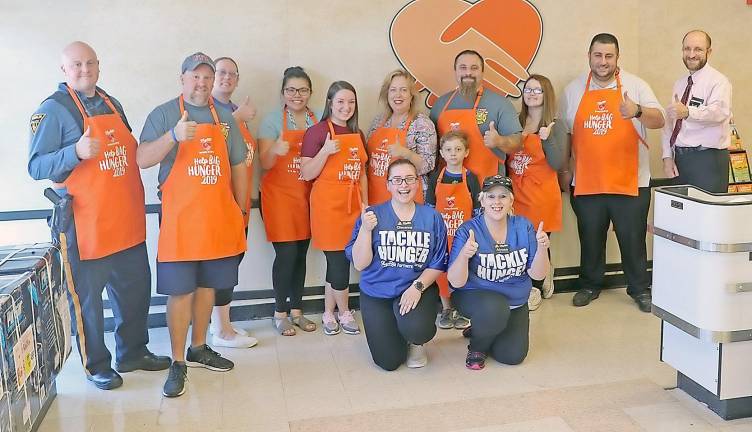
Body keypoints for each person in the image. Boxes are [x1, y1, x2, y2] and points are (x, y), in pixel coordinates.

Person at [27, 41, 170, 390]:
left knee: (136, 292)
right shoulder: (53, 110)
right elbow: (35, 166)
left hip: (126, 221)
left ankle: (133, 352)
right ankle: (97, 365)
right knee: (88, 303)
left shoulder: (112, 103)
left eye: (90, 63)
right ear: (64, 70)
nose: (84, 69)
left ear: (99, 65)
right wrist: (74, 152)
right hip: (84, 227)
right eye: (76, 64)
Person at [137, 52, 248, 397]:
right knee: (180, 291)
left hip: (217, 219)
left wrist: (242, 211)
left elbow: (239, 164)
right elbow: (142, 159)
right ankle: (177, 362)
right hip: (181, 222)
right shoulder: (164, 114)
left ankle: (199, 348)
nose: (201, 83)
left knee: (207, 287)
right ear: (182, 78)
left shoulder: (225, 116)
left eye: (207, 77)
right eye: (195, 77)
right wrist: (173, 135)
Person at [559, 33, 665, 313]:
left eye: (609, 56)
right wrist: (565, 169)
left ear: (617, 58)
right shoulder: (572, 90)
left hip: (631, 181)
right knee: (590, 237)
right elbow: (568, 134)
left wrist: (638, 110)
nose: (603, 61)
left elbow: (659, 119)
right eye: (598, 55)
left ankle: (640, 289)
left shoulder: (636, 85)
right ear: (589, 56)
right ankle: (590, 284)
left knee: (633, 239)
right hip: (587, 180)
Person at [346, 160, 446, 370]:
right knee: (388, 362)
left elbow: (437, 262)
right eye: (397, 180)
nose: (404, 185)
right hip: (377, 292)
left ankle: (416, 341)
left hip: (416, 288)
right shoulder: (372, 216)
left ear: (417, 183)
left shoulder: (432, 217)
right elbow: (360, 264)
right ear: (388, 185)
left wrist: (417, 288)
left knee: (417, 328)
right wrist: (365, 230)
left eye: (409, 179)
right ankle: (397, 332)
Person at [447, 175, 549, 370]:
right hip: (474, 295)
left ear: (511, 200)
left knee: (512, 356)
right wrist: (464, 256)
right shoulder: (468, 230)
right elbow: (455, 282)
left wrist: (543, 249)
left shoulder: (523, 226)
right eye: (491, 196)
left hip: (515, 301)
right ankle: (478, 345)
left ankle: (485, 327)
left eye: (503, 196)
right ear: (482, 200)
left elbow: (537, 275)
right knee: (494, 309)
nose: (497, 202)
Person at [300, 81, 366, 336]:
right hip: (328, 207)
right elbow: (306, 173)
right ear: (329, 102)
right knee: (338, 261)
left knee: (338, 263)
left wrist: (365, 203)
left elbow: (361, 174)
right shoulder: (316, 133)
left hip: (353, 206)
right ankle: (345, 311)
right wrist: (326, 151)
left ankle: (328, 313)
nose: (346, 107)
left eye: (351, 102)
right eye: (340, 101)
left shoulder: (357, 133)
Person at [258, 67, 319, 336]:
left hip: (307, 196)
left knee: (302, 255)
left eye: (302, 90)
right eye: (291, 90)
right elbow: (263, 162)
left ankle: (297, 311)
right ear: (283, 93)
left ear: (310, 93)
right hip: (279, 197)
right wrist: (275, 150)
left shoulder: (317, 120)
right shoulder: (272, 121)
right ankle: (279, 313)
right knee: (287, 255)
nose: (297, 95)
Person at [209, 56, 258, 348]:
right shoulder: (208, 111)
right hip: (220, 204)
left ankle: (223, 322)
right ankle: (220, 330)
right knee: (223, 266)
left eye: (232, 74)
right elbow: (211, 146)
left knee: (233, 262)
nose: (226, 78)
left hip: (240, 204)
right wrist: (237, 119)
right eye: (221, 73)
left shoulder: (232, 108)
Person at [508, 74, 567, 310]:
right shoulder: (514, 122)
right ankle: (539, 277)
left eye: (538, 90)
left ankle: (534, 286)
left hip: (542, 195)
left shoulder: (556, 124)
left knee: (537, 242)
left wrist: (547, 140)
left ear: (547, 95)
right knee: (518, 243)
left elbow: (557, 164)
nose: (532, 94)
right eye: (528, 89)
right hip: (517, 193)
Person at [429, 49, 522, 181]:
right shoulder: (440, 104)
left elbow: (517, 143)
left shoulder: (500, 103)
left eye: (474, 68)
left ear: (482, 72)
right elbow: (431, 149)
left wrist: (499, 141)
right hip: (450, 189)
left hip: (489, 191)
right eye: (463, 68)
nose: (468, 72)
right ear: (455, 71)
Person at [661, 30, 732, 193]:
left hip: (708, 161)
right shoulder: (680, 83)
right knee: (682, 215)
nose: (691, 54)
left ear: (709, 52)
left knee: (706, 216)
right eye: (687, 49)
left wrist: (687, 112)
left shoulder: (719, 82)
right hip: (680, 160)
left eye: (698, 49)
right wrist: (667, 157)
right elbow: (669, 124)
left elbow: (720, 112)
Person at [425, 131, 480, 330]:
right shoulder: (435, 178)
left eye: (458, 149)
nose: (453, 154)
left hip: (463, 237)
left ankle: (461, 308)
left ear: (466, 152)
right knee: (441, 271)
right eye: (448, 150)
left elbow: (477, 210)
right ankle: (447, 308)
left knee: (464, 271)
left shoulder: (471, 178)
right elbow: (429, 208)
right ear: (442, 153)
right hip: (441, 236)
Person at [366, 70, 436, 204]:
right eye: (393, 90)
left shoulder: (422, 123)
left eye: (403, 90)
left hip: (408, 198)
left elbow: (428, 165)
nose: (398, 95)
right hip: (376, 196)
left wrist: (405, 153)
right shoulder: (378, 121)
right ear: (387, 94)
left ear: (412, 96)